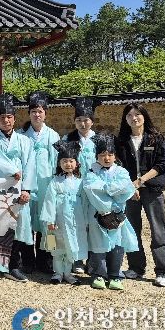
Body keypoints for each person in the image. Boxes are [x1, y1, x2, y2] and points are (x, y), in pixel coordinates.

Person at [115, 103, 165, 288]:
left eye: (137, 114)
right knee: (132, 230)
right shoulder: (121, 141)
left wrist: (140, 181)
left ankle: (164, 271)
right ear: (125, 119)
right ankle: (136, 268)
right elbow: (119, 167)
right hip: (130, 192)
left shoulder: (156, 139)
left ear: (144, 116)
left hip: (152, 190)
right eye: (129, 115)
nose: (134, 118)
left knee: (158, 230)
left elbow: (162, 163)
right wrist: (130, 187)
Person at [0, 93, 36, 283]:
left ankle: (13, 266)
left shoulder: (24, 140)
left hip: (19, 189)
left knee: (17, 228)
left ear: (14, 118)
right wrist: (12, 170)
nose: (6, 120)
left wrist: (27, 189)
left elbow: (30, 165)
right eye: (2, 117)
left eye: (9, 117)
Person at [81, 133, 138, 291]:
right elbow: (92, 190)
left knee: (116, 244)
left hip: (117, 215)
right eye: (102, 155)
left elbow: (126, 188)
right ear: (97, 156)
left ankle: (115, 275)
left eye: (110, 154)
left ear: (115, 156)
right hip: (97, 214)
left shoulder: (121, 171)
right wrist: (111, 194)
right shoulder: (91, 172)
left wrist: (106, 189)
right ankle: (98, 274)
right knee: (97, 244)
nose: (106, 158)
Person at [18, 92, 60, 274]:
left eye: (40, 111)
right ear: (29, 114)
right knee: (26, 222)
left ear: (45, 114)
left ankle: (48, 259)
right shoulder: (21, 135)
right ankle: (27, 260)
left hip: (46, 185)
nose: (37, 115)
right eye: (33, 111)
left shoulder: (53, 135)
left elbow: (57, 162)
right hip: (27, 186)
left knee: (48, 222)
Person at [40, 141, 87, 285]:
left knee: (70, 245)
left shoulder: (80, 182)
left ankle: (68, 273)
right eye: (64, 161)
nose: (68, 164)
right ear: (59, 163)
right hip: (58, 221)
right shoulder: (55, 181)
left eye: (71, 161)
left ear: (77, 163)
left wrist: (85, 220)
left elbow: (85, 203)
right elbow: (49, 201)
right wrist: (50, 220)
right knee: (56, 246)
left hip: (75, 220)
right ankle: (58, 272)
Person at [63, 96, 101, 274]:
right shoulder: (68, 138)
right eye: (78, 120)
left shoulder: (100, 139)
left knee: (94, 224)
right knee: (76, 223)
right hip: (74, 187)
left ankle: (94, 261)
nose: (82, 123)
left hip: (95, 188)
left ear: (92, 121)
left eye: (86, 120)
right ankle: (77, 259)